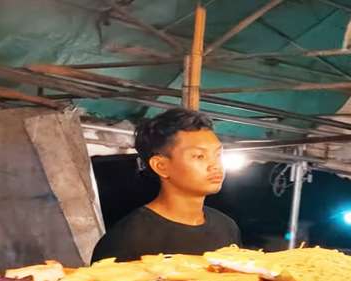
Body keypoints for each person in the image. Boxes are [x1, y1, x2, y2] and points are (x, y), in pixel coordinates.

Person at [91, 108, 241, 262]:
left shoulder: (226, 227)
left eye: (218, 154)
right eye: (199, 156)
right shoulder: (129, 239)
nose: (215, 165)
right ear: (161, 166)